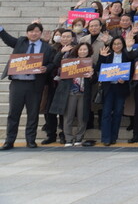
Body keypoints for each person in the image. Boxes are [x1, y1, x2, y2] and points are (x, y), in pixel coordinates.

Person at [0, 22, 55, 150]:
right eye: (31, 31)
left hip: (35, 84)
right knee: (13, 113)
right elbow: (8, 39)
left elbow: (52, 63)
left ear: (41, 33)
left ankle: (30, 140)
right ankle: (9, 141)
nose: (33, 33)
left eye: (36, 31)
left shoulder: (47, 48)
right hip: (17, 84)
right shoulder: (21, 42)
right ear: (27, 33)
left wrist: (45, 68)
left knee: (33, 113)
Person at [96, 36, 134, 146]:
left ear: (122, 45)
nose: (116, 46)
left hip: (120, 88)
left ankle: (113, 137)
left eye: (119, 44)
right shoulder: (107, 54)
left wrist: (125, 80)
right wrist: (102, 57)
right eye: (114, 44)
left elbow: (131, 70)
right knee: (106, 113)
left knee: (117, 113)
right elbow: (99, 68)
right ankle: (106, 138)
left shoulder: (127, 56)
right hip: (108, 88)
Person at [58, 42, 96, 147]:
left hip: (84, 94)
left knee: (82, 117)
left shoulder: (91, 63)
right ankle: (68, 139)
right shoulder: (70, 62)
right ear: (77, 51)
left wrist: (92, 75)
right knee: (68, 117)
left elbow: (95, 81)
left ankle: (79, 137)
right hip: (71, 92)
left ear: (89, 51)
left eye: (85, 50)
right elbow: (60, 72)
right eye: (80, 49)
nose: (82, 51)